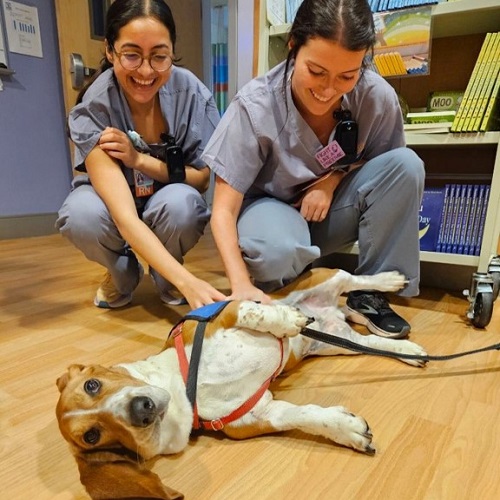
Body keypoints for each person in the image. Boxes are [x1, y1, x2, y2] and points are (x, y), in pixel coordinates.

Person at [202, 0, 424, 338]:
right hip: (272, 215)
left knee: (407, 165)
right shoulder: (255, 105)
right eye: (316, 71)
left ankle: (369, 296)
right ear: (293, 46)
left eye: (347, 76)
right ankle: (290, 284)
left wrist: (332, 180)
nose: (327, 89)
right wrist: (240, 286)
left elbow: (386, 173)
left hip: (330, 212)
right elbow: (223, 209)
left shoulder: (376, 97)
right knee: (275, 252)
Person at [56, 0, 226, 310]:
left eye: (159, 56)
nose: (146, 71)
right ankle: (122, 273)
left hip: (166, 201)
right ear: (110, 51)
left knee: (182, 205)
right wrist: (189, 281)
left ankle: (166, 275)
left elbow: (201, 180)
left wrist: (139, 160)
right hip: (115, 204)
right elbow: (124, 216)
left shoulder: (192, 93)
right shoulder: (95, 106)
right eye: (132, 55)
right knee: (81, 216)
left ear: (172, 51)